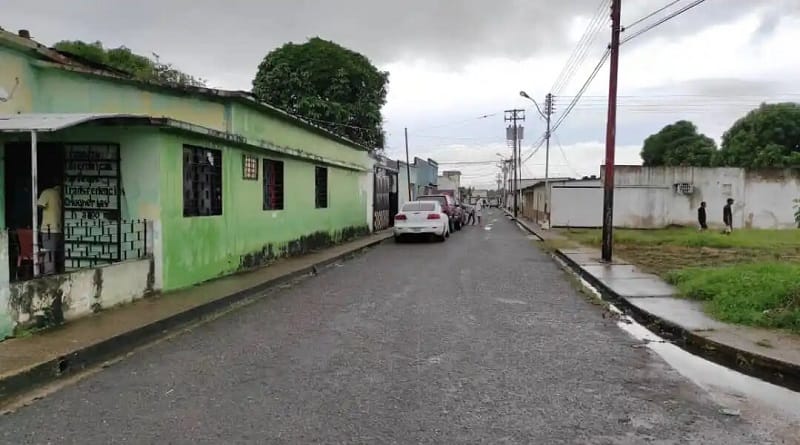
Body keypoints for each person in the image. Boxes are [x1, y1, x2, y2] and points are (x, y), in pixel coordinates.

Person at [37, 183, 63, 274]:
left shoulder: (47, 192)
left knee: (48, 252)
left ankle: (49, 273)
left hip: (49, 228)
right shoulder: (58, 195)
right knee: (53, 252)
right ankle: (53, 271)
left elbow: (39, 205)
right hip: (58, 228)